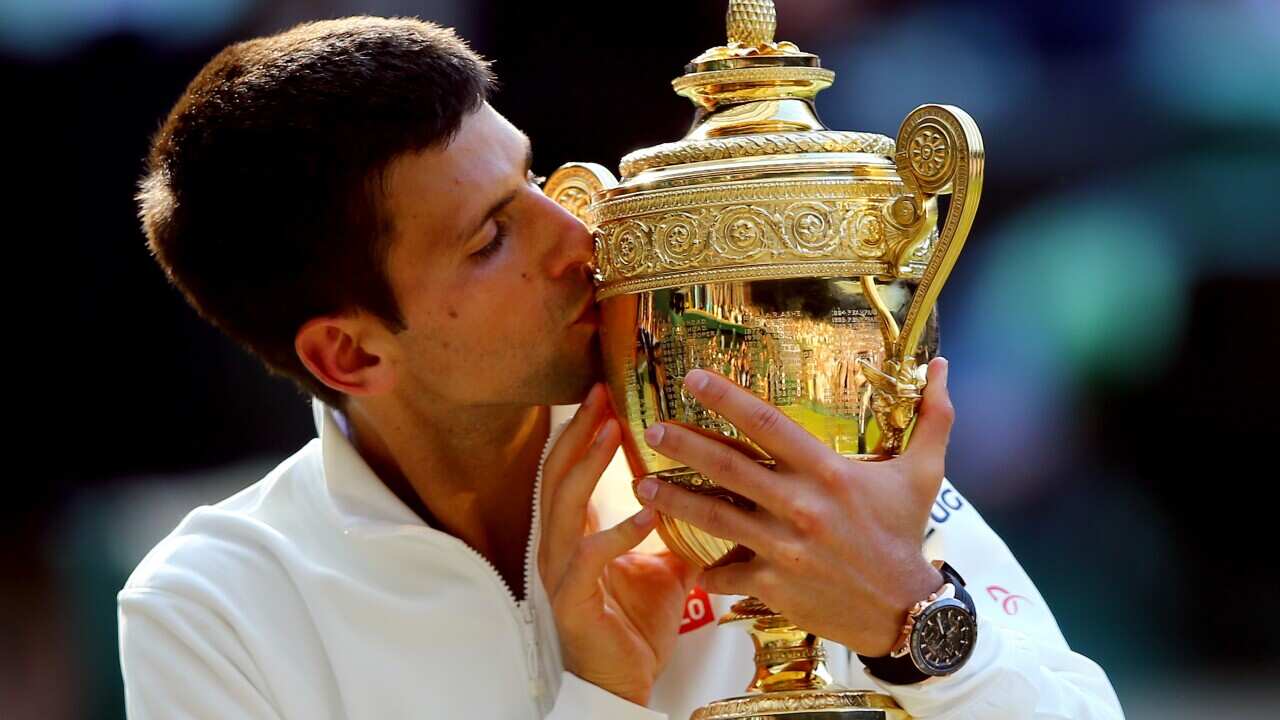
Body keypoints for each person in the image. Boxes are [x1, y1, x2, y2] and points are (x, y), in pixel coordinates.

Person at [119, 16, 1125, 719]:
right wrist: (601, 700)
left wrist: (910, 620)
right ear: (348, 353)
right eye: (489, 238)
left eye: (530, 178)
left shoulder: (768, 416)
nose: (576, 236)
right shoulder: (213, 608)